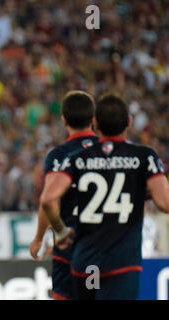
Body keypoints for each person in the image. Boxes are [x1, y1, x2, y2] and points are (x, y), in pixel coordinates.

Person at [40, 93, 169, 300]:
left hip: (87, 263)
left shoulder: (78, 159)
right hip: (122, 264)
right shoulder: (144, 157)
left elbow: (47, 199)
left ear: (96, 123)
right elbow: (165, 203)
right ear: (129, 121)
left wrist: (61, 232)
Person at [29, 90, 97, 300]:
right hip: (102, 243)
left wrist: (39, 237)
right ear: (93, 119)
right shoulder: (108, 151)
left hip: (68, 242)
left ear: (64, 119)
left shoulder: (59, 155)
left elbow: (48, 201)